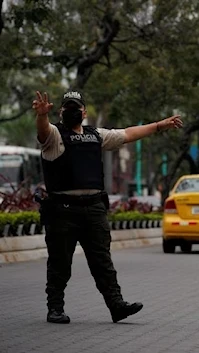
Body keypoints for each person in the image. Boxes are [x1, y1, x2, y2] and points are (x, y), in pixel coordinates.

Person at [32, 90, 183, 324]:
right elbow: (42, 132)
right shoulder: (54, 135)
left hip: (94, 209)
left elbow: (128, 133)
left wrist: (160, 125)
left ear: (84, 112)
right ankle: (55, 308)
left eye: (76, 107)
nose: (72, 111)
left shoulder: (96, 135)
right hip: (63, 210)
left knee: (103, 261)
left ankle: (116, 305)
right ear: (60, 112)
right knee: (60, 262)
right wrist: (41, 116)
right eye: (67, 107)